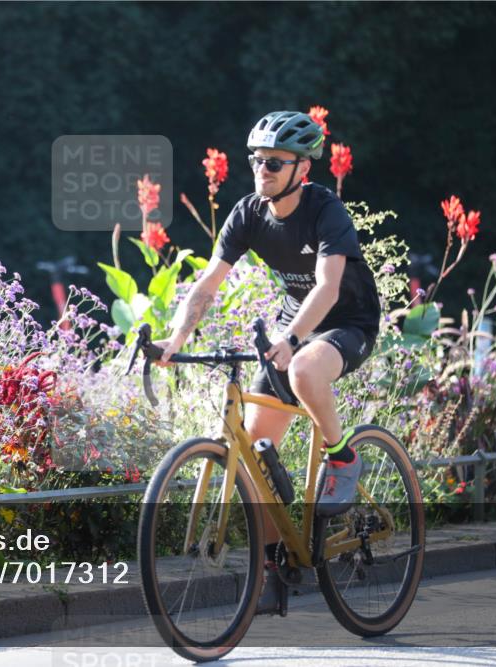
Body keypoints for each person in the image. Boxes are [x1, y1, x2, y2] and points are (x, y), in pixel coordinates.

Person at [154, 110, 382, 613]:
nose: (263, 171)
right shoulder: (248, 212)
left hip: (347, 321)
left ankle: (341, 454)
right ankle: (276, 567)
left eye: (275, 163)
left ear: (303, 168)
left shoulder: (326, 212)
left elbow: (327, 287)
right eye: (257, 161)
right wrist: (175, 339)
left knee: (301, 370)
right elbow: (208, 284)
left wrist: (293, 337)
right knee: (256, 457)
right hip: (292, 324)